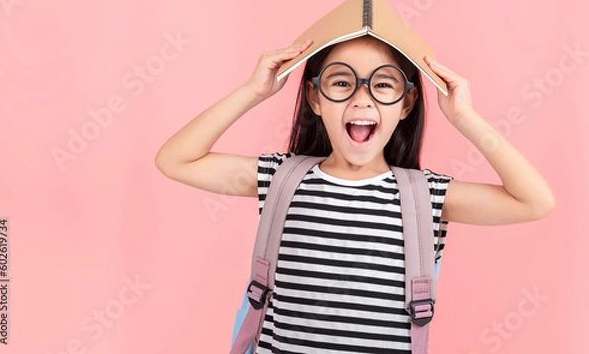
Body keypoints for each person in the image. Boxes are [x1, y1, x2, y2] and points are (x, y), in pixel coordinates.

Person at [155, 35, 556, 353]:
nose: (361, 97)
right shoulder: (281, 177)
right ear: (314, 98)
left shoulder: (426, 196)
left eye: (383, 84)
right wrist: (253, 91)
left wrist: (465, 118)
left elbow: (534, 201)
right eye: (342, 82)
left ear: (407, 103)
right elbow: (176, 160)